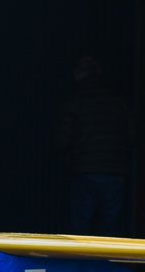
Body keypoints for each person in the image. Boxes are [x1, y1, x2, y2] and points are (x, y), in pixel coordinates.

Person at [56, 55, 134, 235]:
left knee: (79, 228)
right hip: (116, 172)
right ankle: (106, 263)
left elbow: (61, 140)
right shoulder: (118, 99)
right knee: (110, 227)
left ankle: (81, 264)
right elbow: (133, 136)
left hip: (84, 171)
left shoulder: (75, 99)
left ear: (78, 73)